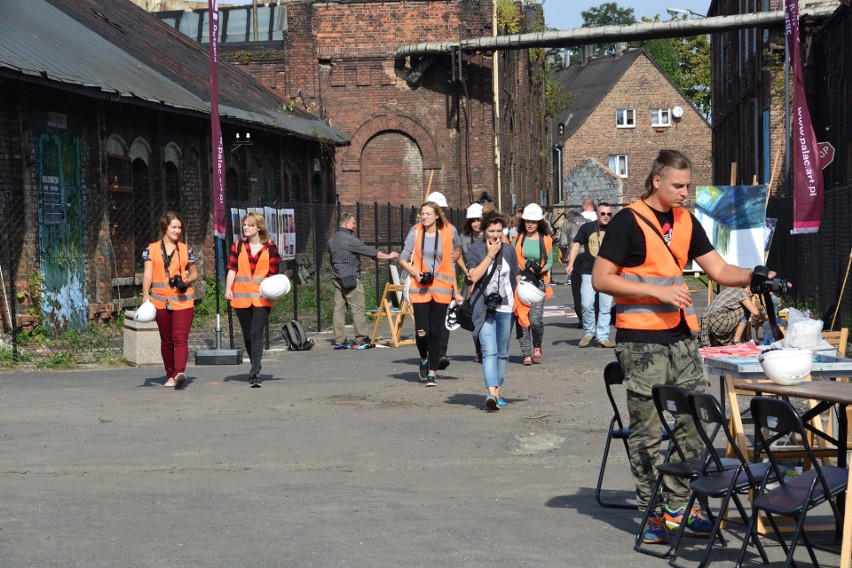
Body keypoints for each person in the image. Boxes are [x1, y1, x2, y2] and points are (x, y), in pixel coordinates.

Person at [592, 149, 770, 546]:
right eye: (678, 185)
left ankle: (681, 504)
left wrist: (755, 276)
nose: (685, 192)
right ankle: (653, 514)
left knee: (694, 422)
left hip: (682, 339)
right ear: (657, 181)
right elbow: (601, 279)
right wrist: (657, 295)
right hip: (641, 342)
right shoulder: (627, 221)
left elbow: (720, 270)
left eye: (688, 185)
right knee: (648, 431)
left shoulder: (687, 221)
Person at [399, 201, 464, 386]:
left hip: (442, 288)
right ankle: (423, 357)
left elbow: (452, 262)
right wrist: (415, 273)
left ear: (437, 215)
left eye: (428, 213)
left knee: (436, 332)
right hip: (420, 288)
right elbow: (403, 258)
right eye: (422, 213)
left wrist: (456, 291)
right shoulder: (415, 232)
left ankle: (432, 373)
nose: (424, 217)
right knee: (422, 333)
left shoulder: (447, 232)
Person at [466, 211, 520, 410]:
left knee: (503, 352)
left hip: (506, 306)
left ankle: (497, 392)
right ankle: (491, 393)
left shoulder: (509, 250)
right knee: (489, 351)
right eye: (491, 231)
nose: (496, 235)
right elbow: (473, 276)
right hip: (483, 307)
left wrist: (524, 293)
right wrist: (490, 255)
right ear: (484, 231)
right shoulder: (475, 250)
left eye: (499, 230)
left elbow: (516, 275)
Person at [142, 211, 198, 390]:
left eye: (180, 227)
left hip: (182, 301)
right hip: (159, 301)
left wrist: (186, 280)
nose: (177, 231)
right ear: (165, 228)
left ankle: (179, 372)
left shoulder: (186, 249)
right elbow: (148, 275)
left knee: (180, 338)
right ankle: (170, 374)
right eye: (174, 227)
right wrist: (145, 296)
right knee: (166, 341)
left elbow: (195, 273)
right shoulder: (150, 250)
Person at [225, 212, 282, 387]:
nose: (245, 227)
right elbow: (232, 269)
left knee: (257, 333)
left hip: (262, 298)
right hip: (241, 297)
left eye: (249, 225)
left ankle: (255, 370)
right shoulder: (238, 246)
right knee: (248, 336)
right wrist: (228, 288)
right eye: (244, 225)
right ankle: (254, 363)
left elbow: (274, 274)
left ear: (258, 227)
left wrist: (273, 290)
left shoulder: (270, 248)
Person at [327, 212, 399, 346]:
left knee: (339, 309)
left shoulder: (332, 239)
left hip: (336, 276)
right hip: (350, 277)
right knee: (358, 307)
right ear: (345, 223)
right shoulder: (349, 239)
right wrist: (389, 256)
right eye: (353, 223)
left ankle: (339, 339)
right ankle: (361, 337)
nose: (354, 225)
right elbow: (368, 250)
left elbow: (331, 258)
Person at [422, 191, 462, 371]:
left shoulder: (450, 230)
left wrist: (448, 264)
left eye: (442, 210)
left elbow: (458, 251)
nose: (441, 213)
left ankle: (440, 354)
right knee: (425, 325)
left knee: (442, 320)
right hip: (423, 284)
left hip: (443, 284)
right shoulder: (418, 230)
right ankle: (428, 354)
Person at [568, 202, 615, 348]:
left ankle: (603, 337)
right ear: (597, 214)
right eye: (603, 214)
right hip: (589, 271)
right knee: (586, 304)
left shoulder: (615, 229)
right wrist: (570, 263)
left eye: (608, 214)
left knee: (605, 307)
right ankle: (589, 332)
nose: (606, 217)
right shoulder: (587, 228)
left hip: (608, 273)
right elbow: (576, 244)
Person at [512, 203, 553, 366]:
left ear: (539, 223)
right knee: (522, 320)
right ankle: (526, 354)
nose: (530, 224)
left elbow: (549, 261)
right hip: (521, 283)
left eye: (533, 221)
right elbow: (512, 259)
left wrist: (540, 269)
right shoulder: (517, 239)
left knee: (535, 320)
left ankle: (537, 344)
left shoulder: (547, 241)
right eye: (527, 221)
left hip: (538, 284)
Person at [459, 203, 484, 362]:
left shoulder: (490, 234)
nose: (476, 223)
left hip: (487, 281)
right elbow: (458, 255)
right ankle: (479, 350)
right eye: (473, 220)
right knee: (472, 316)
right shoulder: (464, 237)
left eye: (479, 219)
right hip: (470, 282)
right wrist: (465, 270)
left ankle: (488, 347)